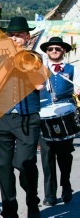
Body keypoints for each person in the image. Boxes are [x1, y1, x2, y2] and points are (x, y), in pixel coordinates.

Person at [0, 16, 43, 218]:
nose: (14, 38)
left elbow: (39, 85)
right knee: (2, 167)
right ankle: (9, 213)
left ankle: (32, 203)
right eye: (11, 35)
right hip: (1, 117)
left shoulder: (35, 57)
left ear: (27, 37)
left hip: (26, 118)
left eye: (18, 35)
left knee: (25, 163)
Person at [38, 36, 75, 205]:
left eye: (57, 49)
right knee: (47, 157)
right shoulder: (38, 70)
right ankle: (49, 194)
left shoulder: (72, 69)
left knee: (65, 156)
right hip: (44, 117)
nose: (54, 51)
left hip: (65, 116)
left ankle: (66, 185)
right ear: (46, 52)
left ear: (64, 51)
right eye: (51, 49)